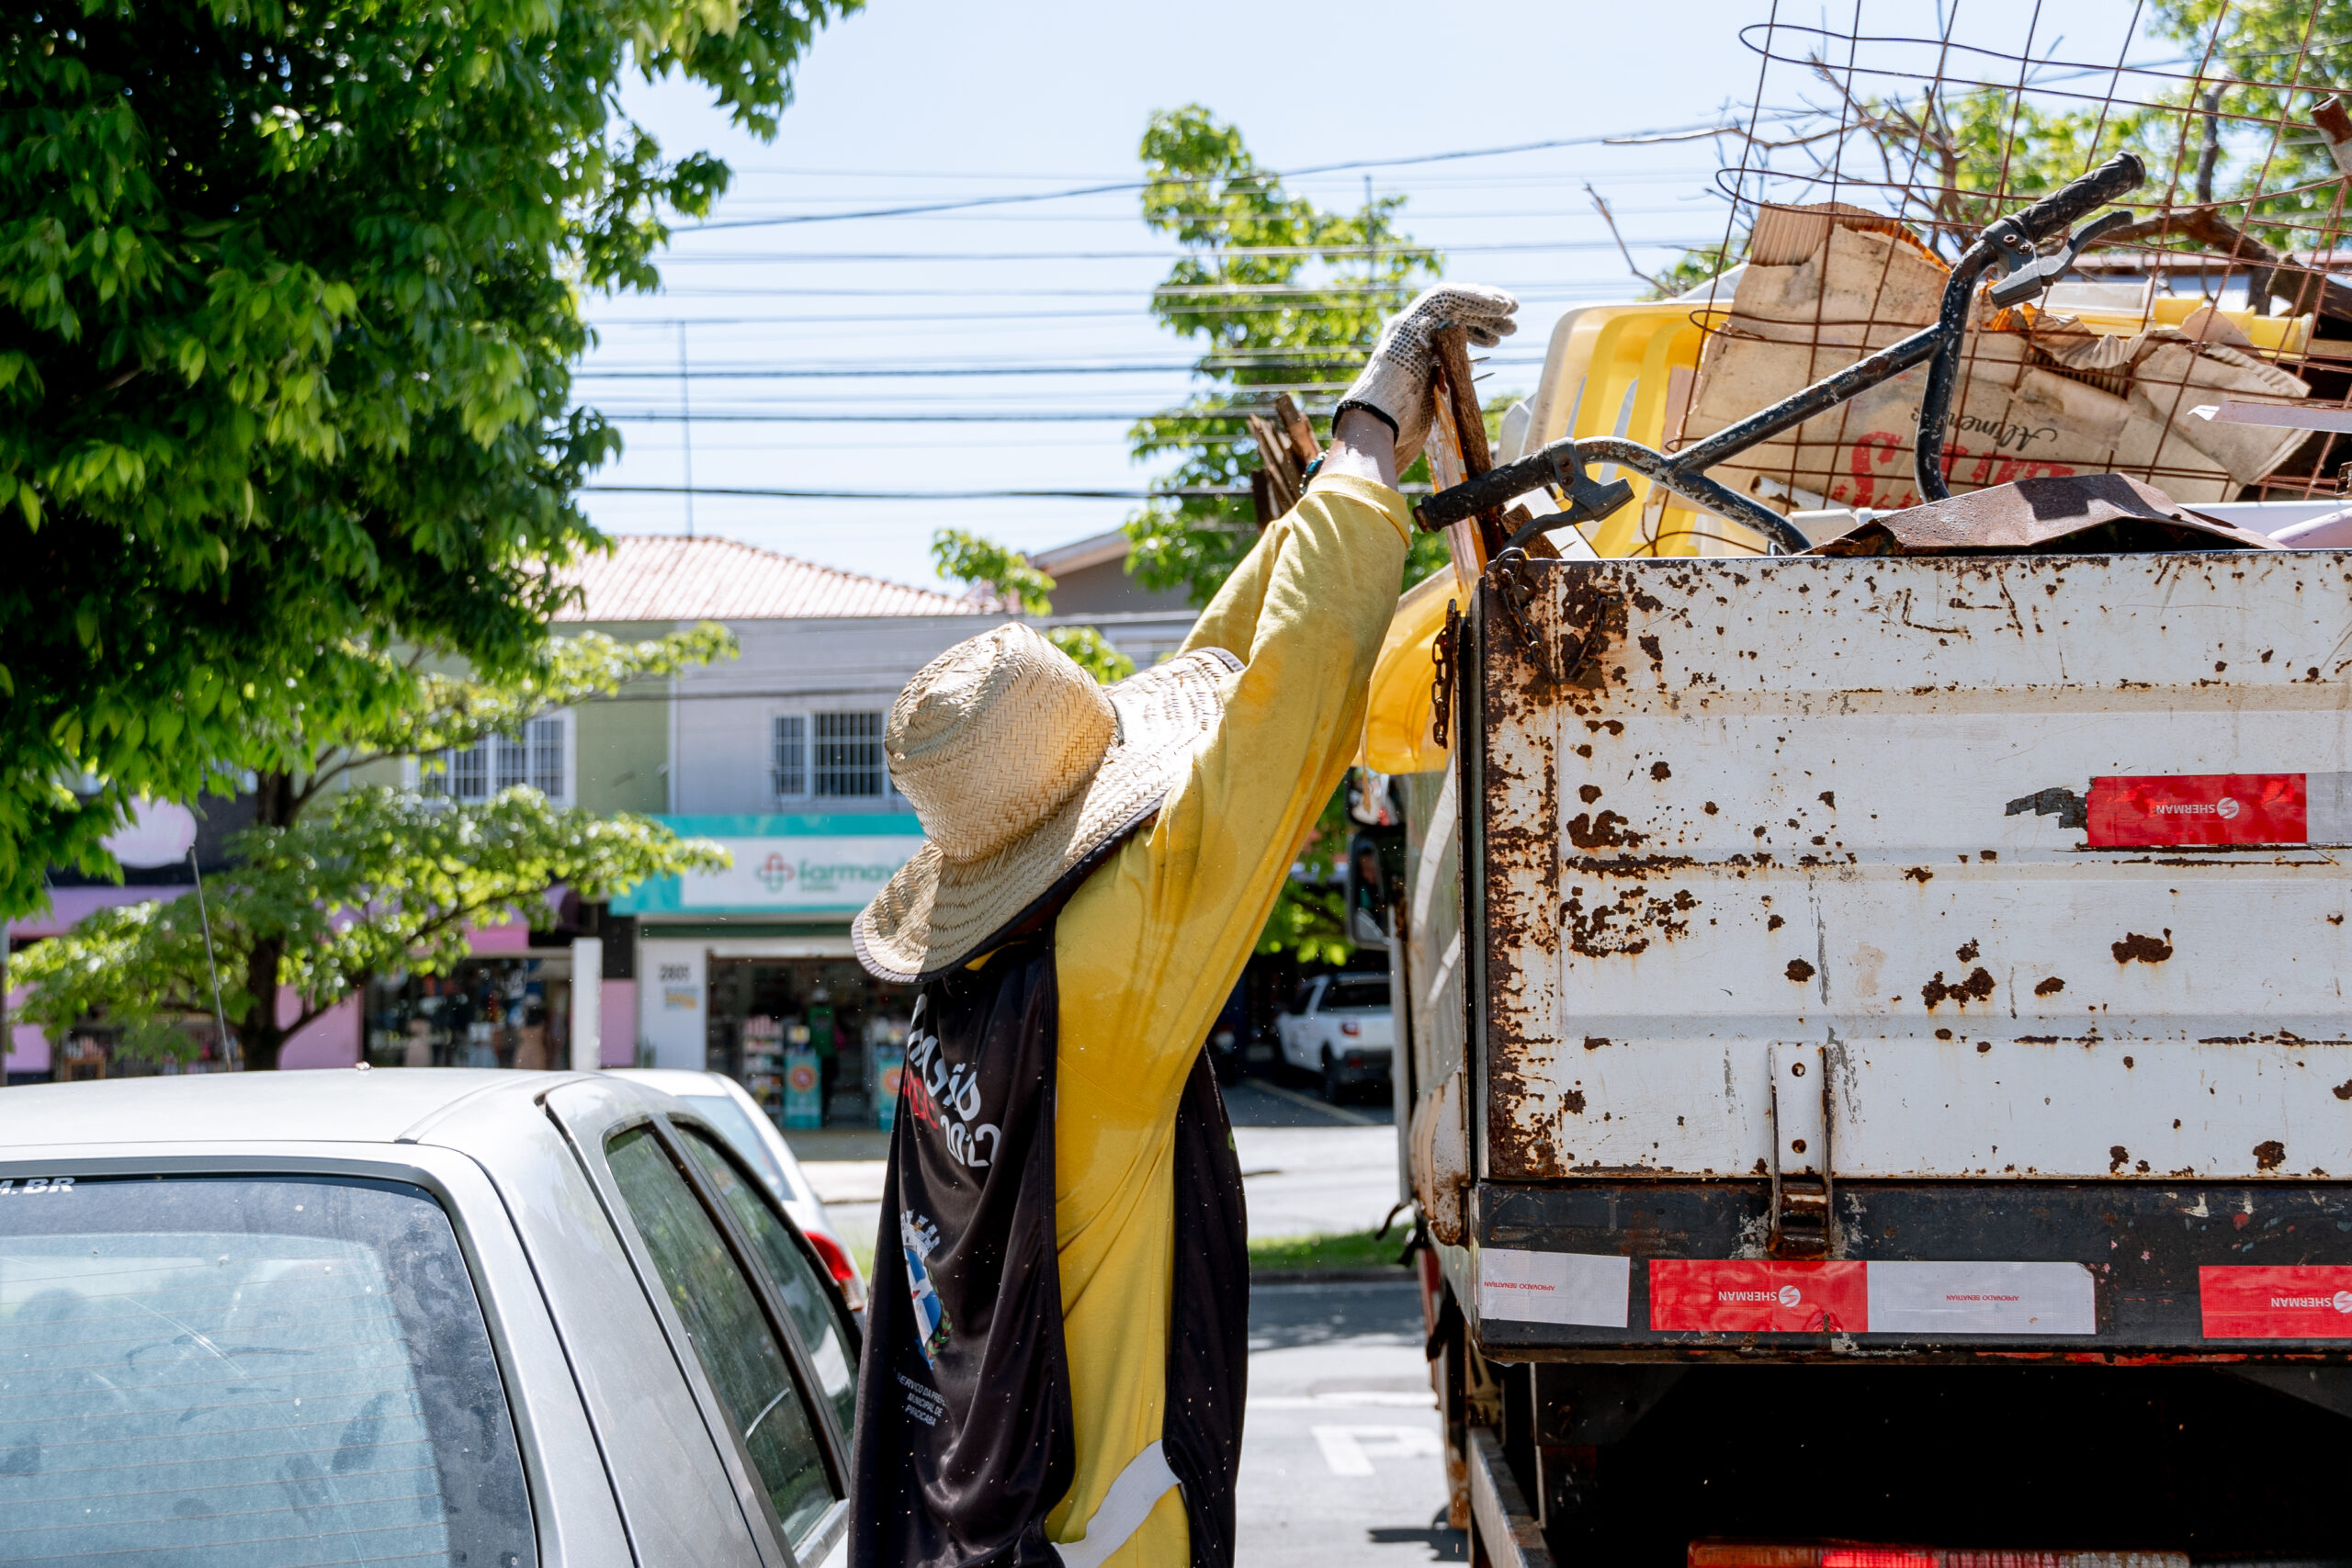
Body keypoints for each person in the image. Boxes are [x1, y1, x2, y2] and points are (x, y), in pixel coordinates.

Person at [847, 285, 1519, 1568]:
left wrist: (1330, 488)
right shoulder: (1103, 969)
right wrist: (1374, 427)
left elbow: (1214, 691)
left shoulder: (978, 980)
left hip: (975, 1517)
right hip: (1097, 1541)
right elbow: (1284, 711)